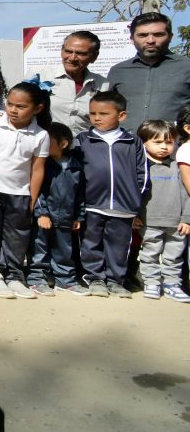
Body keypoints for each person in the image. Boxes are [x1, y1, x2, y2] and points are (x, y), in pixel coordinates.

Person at [0, 81, 50, 300]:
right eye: (10, 104)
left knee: (17, 235)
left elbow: (37, 169)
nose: (13, 110)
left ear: (37, 108)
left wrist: (32, 199)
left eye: (21, 106)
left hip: (21, 193)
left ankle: (15, 274)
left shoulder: (40, 135)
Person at [76, 91, 149, 298]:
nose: (97, 118)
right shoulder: (83, 139)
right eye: (92, 113)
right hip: (92, 205)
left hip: (123, 207)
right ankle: (95, 279)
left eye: (103, 113)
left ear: (121, 115)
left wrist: (135, 201)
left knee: (119, 246)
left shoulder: (132, 141)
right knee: (91, 244)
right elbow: (75, 174)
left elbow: (142, 174)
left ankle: (116, 281)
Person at [25, 122, 87, 296]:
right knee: (39, 250)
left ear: (64, 143)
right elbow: (36, 191)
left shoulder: (76, 167)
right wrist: (41, 213)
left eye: (48, 141)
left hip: (66, 218)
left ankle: (64, 280)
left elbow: (80, 194)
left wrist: (78, 216)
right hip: (44, 218)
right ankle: (37, 279)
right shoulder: (43, 165)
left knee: (64, 251)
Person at [107, 12, 190, 132]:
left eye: (158, 34)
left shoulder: (186, 66)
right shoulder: (118, 71)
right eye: (143, 35)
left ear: (170, 36)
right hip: (128, 146)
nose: (150, 40)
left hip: (173, 146)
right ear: (131, 39)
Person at [135, 120, 190, 302]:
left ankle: (172, 285)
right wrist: (134, 215)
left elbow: (187, 193)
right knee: (149, 254)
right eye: (157, 142)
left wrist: (187, 218)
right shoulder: (140, 167)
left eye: (169, 142)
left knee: (173, 257)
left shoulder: (177, 166)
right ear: (144, 143)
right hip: (149, 222)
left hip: (177, 223)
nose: (164, 147)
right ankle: (152, 282)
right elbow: (133, 193)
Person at [38, 31, 109, 135]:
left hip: (86, 147)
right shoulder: (41, 77)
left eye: (80, 53)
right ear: (61, 51)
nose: (72, 58)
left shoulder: (103, 85)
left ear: (94, 56)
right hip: (47, 146)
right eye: (68, 51)